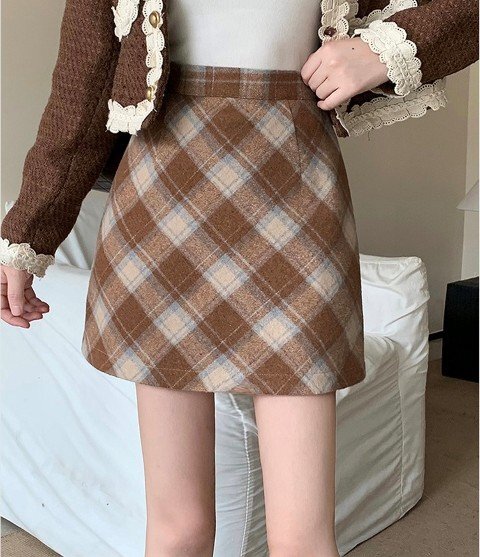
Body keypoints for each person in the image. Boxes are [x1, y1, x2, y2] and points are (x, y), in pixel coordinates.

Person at [1, 1, 478, 555]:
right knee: (178, 529)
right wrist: (26, 237)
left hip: (297, 195)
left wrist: (387, 48)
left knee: (303, 540)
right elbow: (78, 98)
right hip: (161, 206)